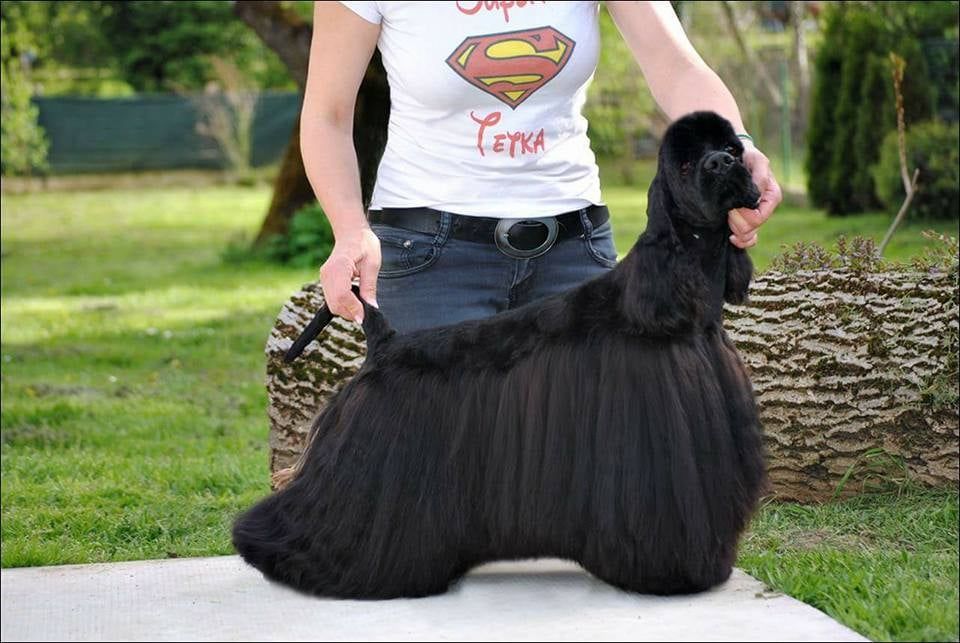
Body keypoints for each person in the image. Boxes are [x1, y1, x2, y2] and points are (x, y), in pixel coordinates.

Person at [300, 0, 782, 334]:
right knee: (448, 451)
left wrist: (736, 145)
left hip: (575, 253)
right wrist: (349, 230)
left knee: (583, 448)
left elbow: (676, 67)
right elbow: (327, 116)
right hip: (430, 260)